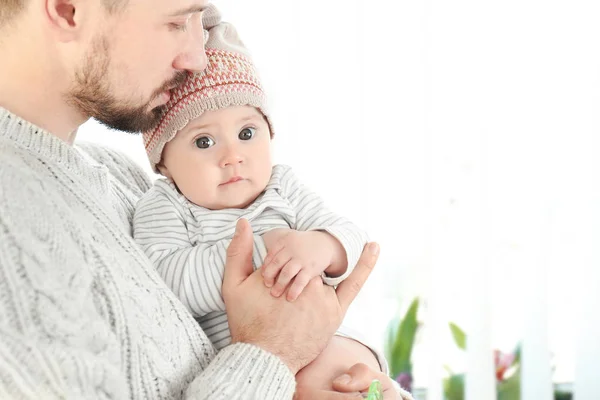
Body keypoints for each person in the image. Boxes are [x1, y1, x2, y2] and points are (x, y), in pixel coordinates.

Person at [0, 0, 412, 398]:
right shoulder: (16, 239)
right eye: (178, 22)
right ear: (68, 8)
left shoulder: (114, 176)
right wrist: (273, 354)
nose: (199, 59)